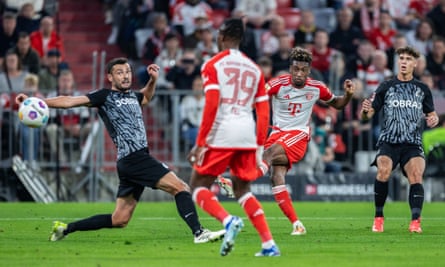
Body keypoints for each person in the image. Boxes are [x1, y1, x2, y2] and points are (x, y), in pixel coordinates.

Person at [15, 58, 225, 244]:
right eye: (119, 72)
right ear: (110, 77)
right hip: (135, 159)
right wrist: (38, 102)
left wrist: (152, 80)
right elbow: (70, 101)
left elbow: (146, 98)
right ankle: (199, 233)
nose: (125, 76)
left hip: (129, 162)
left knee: (119, 219)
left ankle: (65, 229)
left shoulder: (134, 96)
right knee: (181, 187)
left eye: (127, 72)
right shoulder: (104, 96)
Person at [188, 18, 280, 257]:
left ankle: (228, 221)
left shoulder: (213, 65)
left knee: (198, 186)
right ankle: (269, 244)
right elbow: (263, 112)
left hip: (222, 132)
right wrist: (259, 145)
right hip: (247, 134)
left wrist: (200, 143)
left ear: (222, 36)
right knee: (243, 190)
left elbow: (211, 105)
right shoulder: (254, 68)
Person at [258, 47, 355, 235]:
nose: (299, 74)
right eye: (296, 69)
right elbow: (259, 96)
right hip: (277, 134)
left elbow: (338, 104)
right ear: (290, 68)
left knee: (267, 155)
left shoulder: (317, 87)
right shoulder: (278, 84)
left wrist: (349, 95)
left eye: (303, 70)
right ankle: (297, 224)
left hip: (298, 136)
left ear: (309, 70)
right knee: (276, 177)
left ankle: (240, 179)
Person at [360, 46, 439, 233]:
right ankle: (379, 217)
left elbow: (431, 113)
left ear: (415, 63)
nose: (403, 62)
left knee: (416, 176)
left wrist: (434, 119)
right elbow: (368, 114)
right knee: (383, 172)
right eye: (401, 58)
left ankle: (415, 222)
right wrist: (364, 111)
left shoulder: (422, 89)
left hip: (412, 143)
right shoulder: (386, 86)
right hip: (389, 141)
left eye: (408, 59)